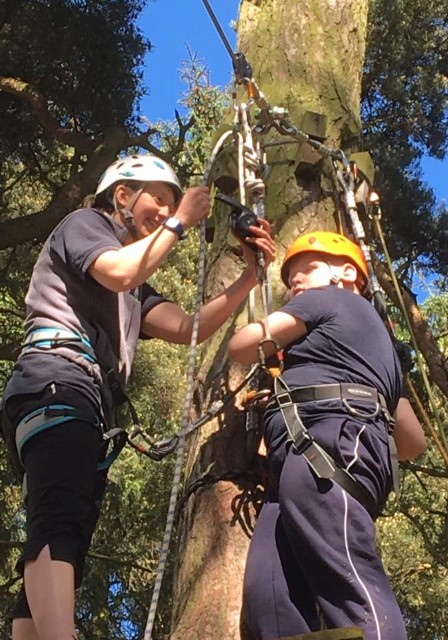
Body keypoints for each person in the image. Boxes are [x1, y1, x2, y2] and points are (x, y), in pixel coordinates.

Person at [0, 153, 276, 640]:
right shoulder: (84, 225)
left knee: (67, 534)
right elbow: (117, 272)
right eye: (157, 198)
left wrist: (249, 277)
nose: (164, 209)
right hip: (56, 380)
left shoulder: (137, 288)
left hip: (78, 399)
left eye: (170, 201)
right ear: (122, 196)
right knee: (59, 522)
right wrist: (182, 219)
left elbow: (189, 328)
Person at [228, 230, 426, 640]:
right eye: (292, 278)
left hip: (329, 443)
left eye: (308, 269)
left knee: (348, 578)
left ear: (347, 273)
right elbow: (412, 443)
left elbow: (242, 345)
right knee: (270, 590)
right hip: (316, 456)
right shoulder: (379, 350)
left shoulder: (331, 299)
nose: (296, 283)